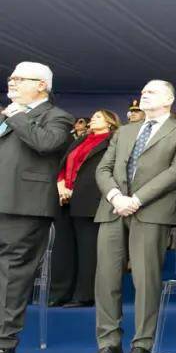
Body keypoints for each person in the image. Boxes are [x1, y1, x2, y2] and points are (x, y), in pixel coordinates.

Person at [81, 80, 176, 353]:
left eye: (152, 92)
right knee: (105, 279)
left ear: (169, 99)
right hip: (113, 208)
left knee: (145, 281)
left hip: (150, 211)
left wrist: (137, 199)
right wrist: (115, 196)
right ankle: (108, 346)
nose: (144, 95)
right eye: (143, 91)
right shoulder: (125, 130)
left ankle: (141, 346)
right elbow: (104, 168)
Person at [0, 62, 74, 353]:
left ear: (41, 85)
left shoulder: (57, 117)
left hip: (24, 207)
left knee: (12, 276)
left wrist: (16, 114)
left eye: (20, 79)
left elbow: (46, 144)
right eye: (11, 78)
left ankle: (4, 343)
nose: (12, 83)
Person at [51, 109, 119, 307]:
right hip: (66, 198)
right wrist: (61, 183)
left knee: (88, 250)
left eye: (98, 116)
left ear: (110, 122)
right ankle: (60, 293)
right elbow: (64, 164)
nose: (93, 119)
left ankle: (84, 295)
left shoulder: (113, 141)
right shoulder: (80, 139)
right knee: (63, 249)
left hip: (91, 200)